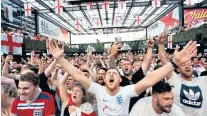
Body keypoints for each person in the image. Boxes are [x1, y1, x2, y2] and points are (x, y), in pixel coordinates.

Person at [48, 40, 197, 116]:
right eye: (109, 74)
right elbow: (78, 74)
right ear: (104, 80)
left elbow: (149, 80)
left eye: (115, 73)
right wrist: (60, 60)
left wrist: (174, 62)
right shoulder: (98, 90)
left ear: (120, 79)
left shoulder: (127, 91)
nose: (111, 74)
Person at [158, 35, 207, 116]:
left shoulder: (203, 81)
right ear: (177, 69)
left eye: (189, 64)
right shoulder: (174, 80)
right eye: (183, 64)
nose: (187, 66)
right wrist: (160, 44)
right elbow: (164, 62)